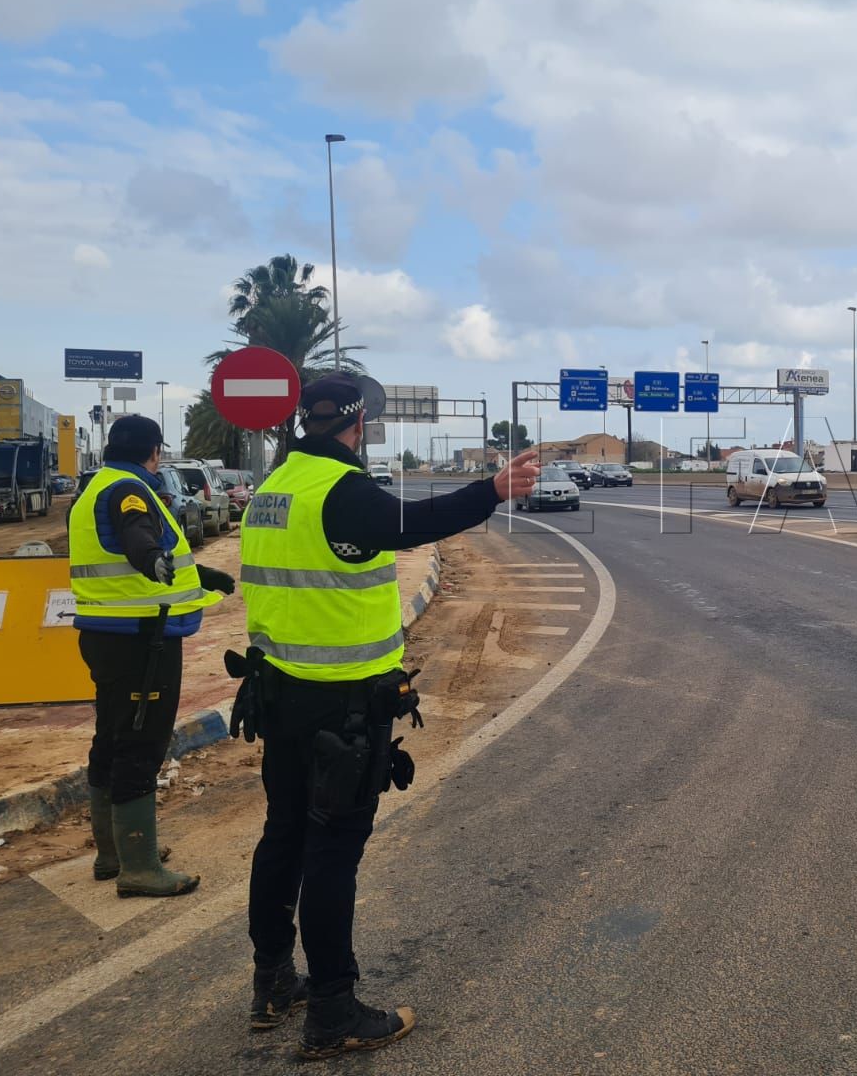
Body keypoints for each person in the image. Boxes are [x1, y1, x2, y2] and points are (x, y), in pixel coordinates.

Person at [238, 374, 539, 1059]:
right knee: (331, 853)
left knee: (282, 836)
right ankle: (334, 1010)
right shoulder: (341, 492)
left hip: (280, 694)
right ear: (359, 424)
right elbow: (412, 524)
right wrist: (491, 491)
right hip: (340, 706)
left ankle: (272, 983)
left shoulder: (274, 489)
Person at [69, 414, 232, 897]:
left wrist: (195, 574)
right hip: (143, 640)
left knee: (113, 735)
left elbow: (116, 550)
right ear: (154, 452)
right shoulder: (129, 490)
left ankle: (113, 852)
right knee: (141, 743)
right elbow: (138, 537)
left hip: (106, 635)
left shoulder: (94, 487)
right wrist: (153, 560)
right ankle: (138, 867)